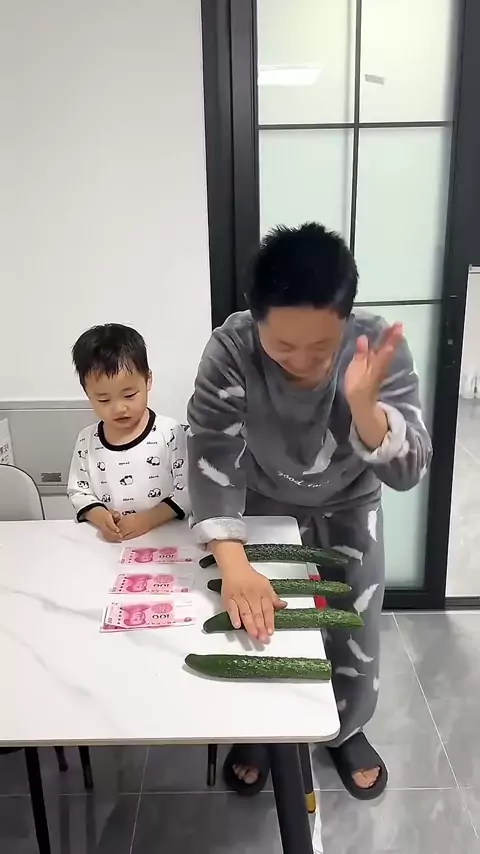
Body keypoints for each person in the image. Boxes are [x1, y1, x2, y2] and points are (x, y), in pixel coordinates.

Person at [187, 223, 432, 800]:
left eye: (319, 348)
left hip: (350, 506)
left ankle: (347, 730)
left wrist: (366, 408)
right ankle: (264, 730)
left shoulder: (376, 349)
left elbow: (408, 471)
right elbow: (212, 452)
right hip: (263, 506)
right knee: (260, 624)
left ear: (346, 319)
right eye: (282, 347)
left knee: (353, 630)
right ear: (256, 318)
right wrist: (233, 563)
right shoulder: (230, 349)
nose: (300, 362)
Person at [68, 323, 189, 541]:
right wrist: (100, 516)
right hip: (111, 544)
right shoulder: (87, 440)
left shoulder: (170, 432)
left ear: (148, 380)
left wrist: (148, 520)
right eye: (104, 399)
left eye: (129, 395)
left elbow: (188, 490)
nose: (119, 408)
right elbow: (79, 492)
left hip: (168, 539)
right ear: (88, 394)